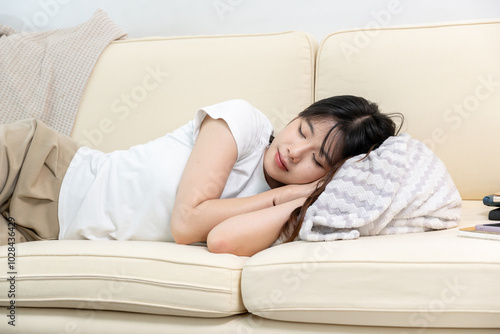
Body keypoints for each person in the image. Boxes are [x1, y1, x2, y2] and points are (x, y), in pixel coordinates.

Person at [0, 96, 401, 256]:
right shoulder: (242, 122)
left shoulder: (285, 215)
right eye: (302, 130)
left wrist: (300, 199)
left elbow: (219, 239)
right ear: (297, 116)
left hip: (44, 234)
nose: (293, 152)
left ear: (330, 175)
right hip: (40, 166)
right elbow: (186, 223)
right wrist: (279, 197)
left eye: (317, 158)